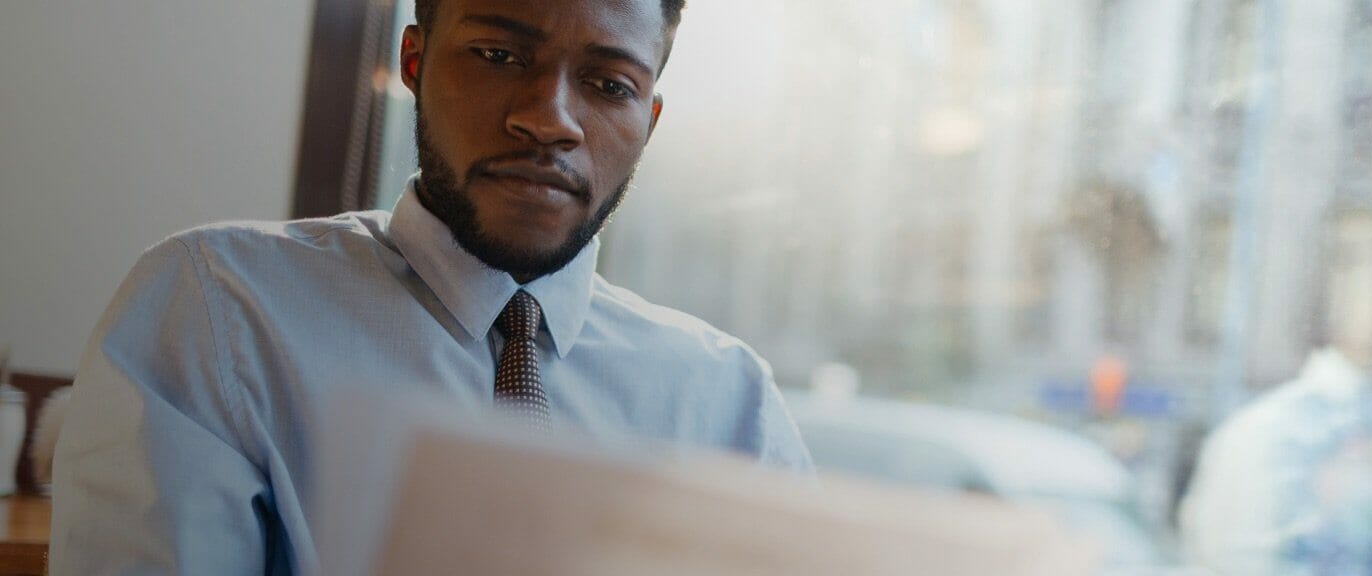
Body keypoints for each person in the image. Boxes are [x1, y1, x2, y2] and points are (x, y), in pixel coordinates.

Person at [49, 0, 814, 573]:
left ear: (647, 118)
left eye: (608, 84)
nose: (549, 120)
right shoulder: (219, 308)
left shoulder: (728, 402)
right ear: (413, 62)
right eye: (498, 55)